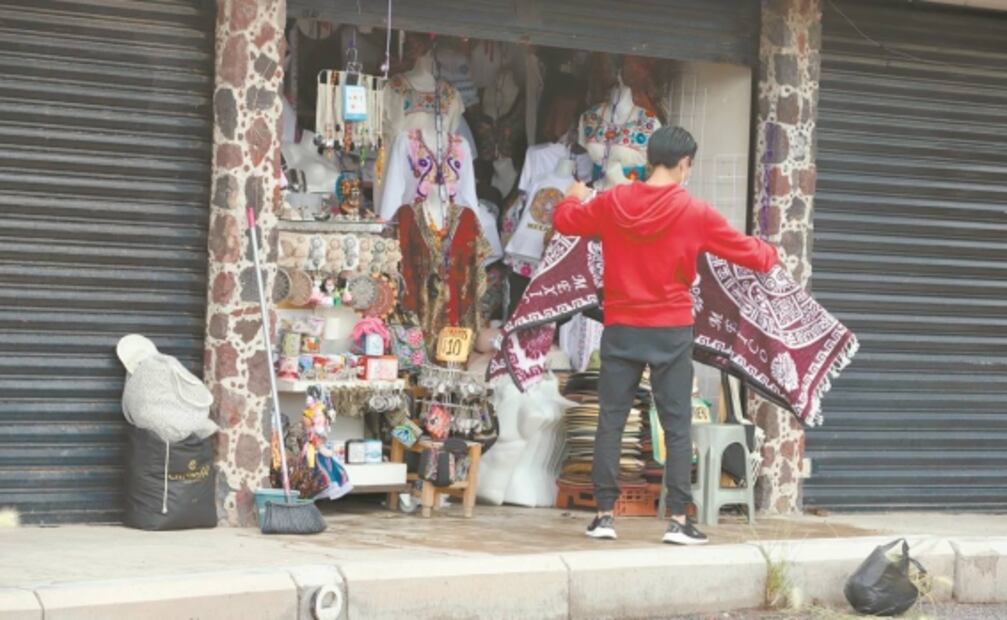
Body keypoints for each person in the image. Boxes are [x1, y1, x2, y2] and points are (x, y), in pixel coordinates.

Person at [552, 126, 779, 545]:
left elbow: (565, 221)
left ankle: (603, 516)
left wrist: (573, 194)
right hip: (671, 329)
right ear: (684, 163)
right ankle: (677, 519)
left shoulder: (613, 201)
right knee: (676, 425)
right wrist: (773, 253)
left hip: (620, 326)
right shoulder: (695, 212)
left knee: (611, 421)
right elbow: (751, 253)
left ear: (650, 157)